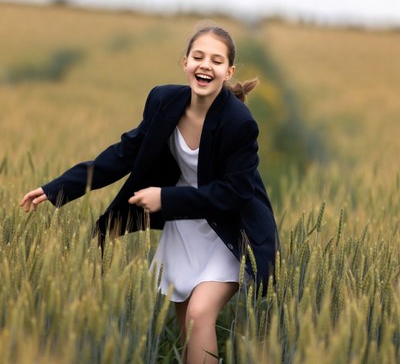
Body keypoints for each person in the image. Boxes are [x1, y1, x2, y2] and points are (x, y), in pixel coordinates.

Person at [20, 25, 279, 364]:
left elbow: (235, 193)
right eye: (198, 56)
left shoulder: (239, 122)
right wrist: (56, 189)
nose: (205, 65)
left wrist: (165, 199)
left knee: (201, 314)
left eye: (216, 61)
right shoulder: (163, 100)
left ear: (228, 71)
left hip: (228, 230)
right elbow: (124, 154)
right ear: (184, 61)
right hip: (183, 230)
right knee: (188, 325)